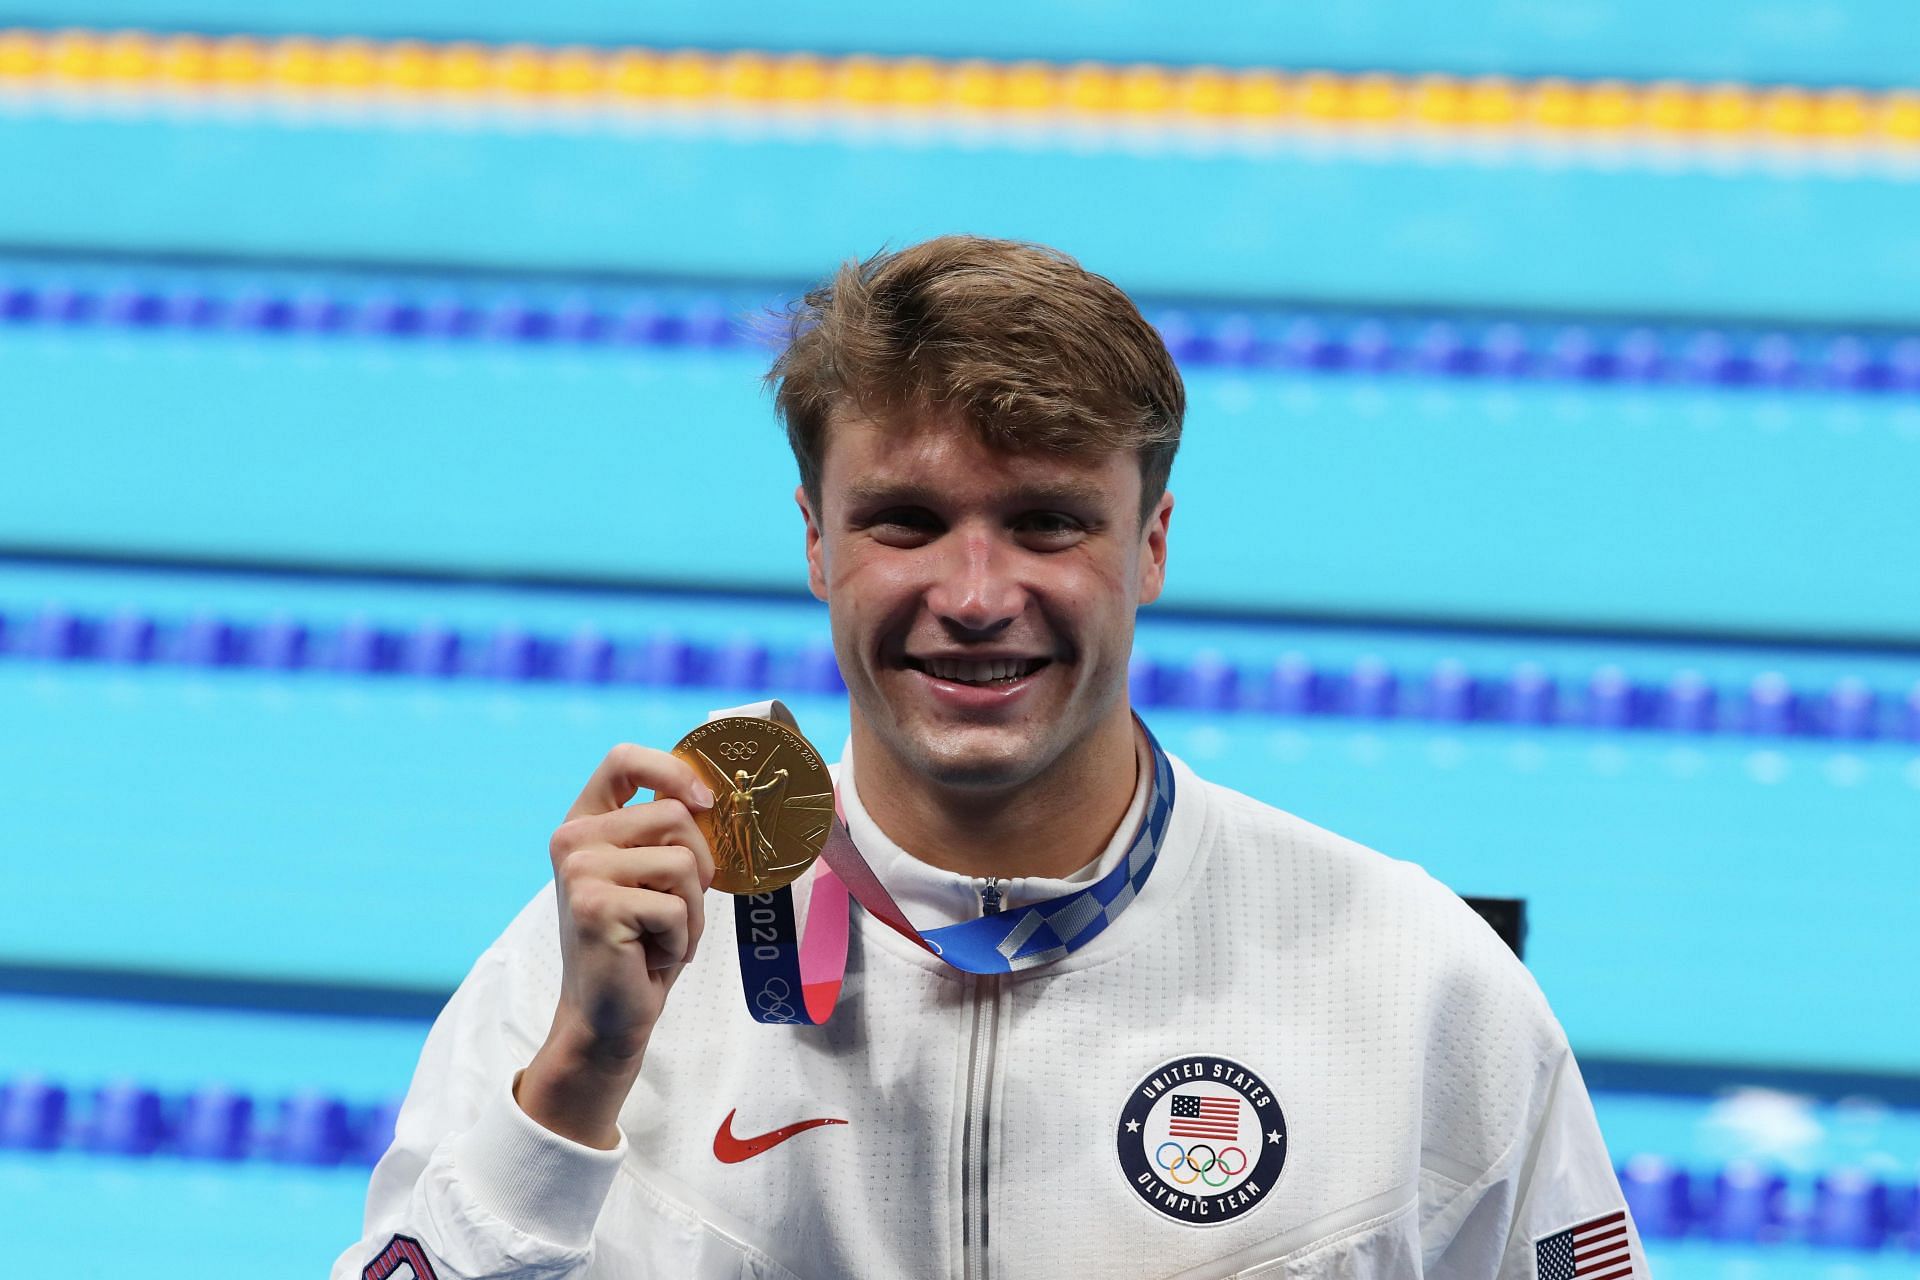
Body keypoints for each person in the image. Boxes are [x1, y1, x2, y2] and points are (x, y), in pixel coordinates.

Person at [333, 235, 1644, 1279]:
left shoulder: (1417, 985)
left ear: (1151, 546)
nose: (972, 594)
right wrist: (573, 1084)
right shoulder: (595, 977)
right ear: (816, 543)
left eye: (1045, 523)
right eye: (905, 521)